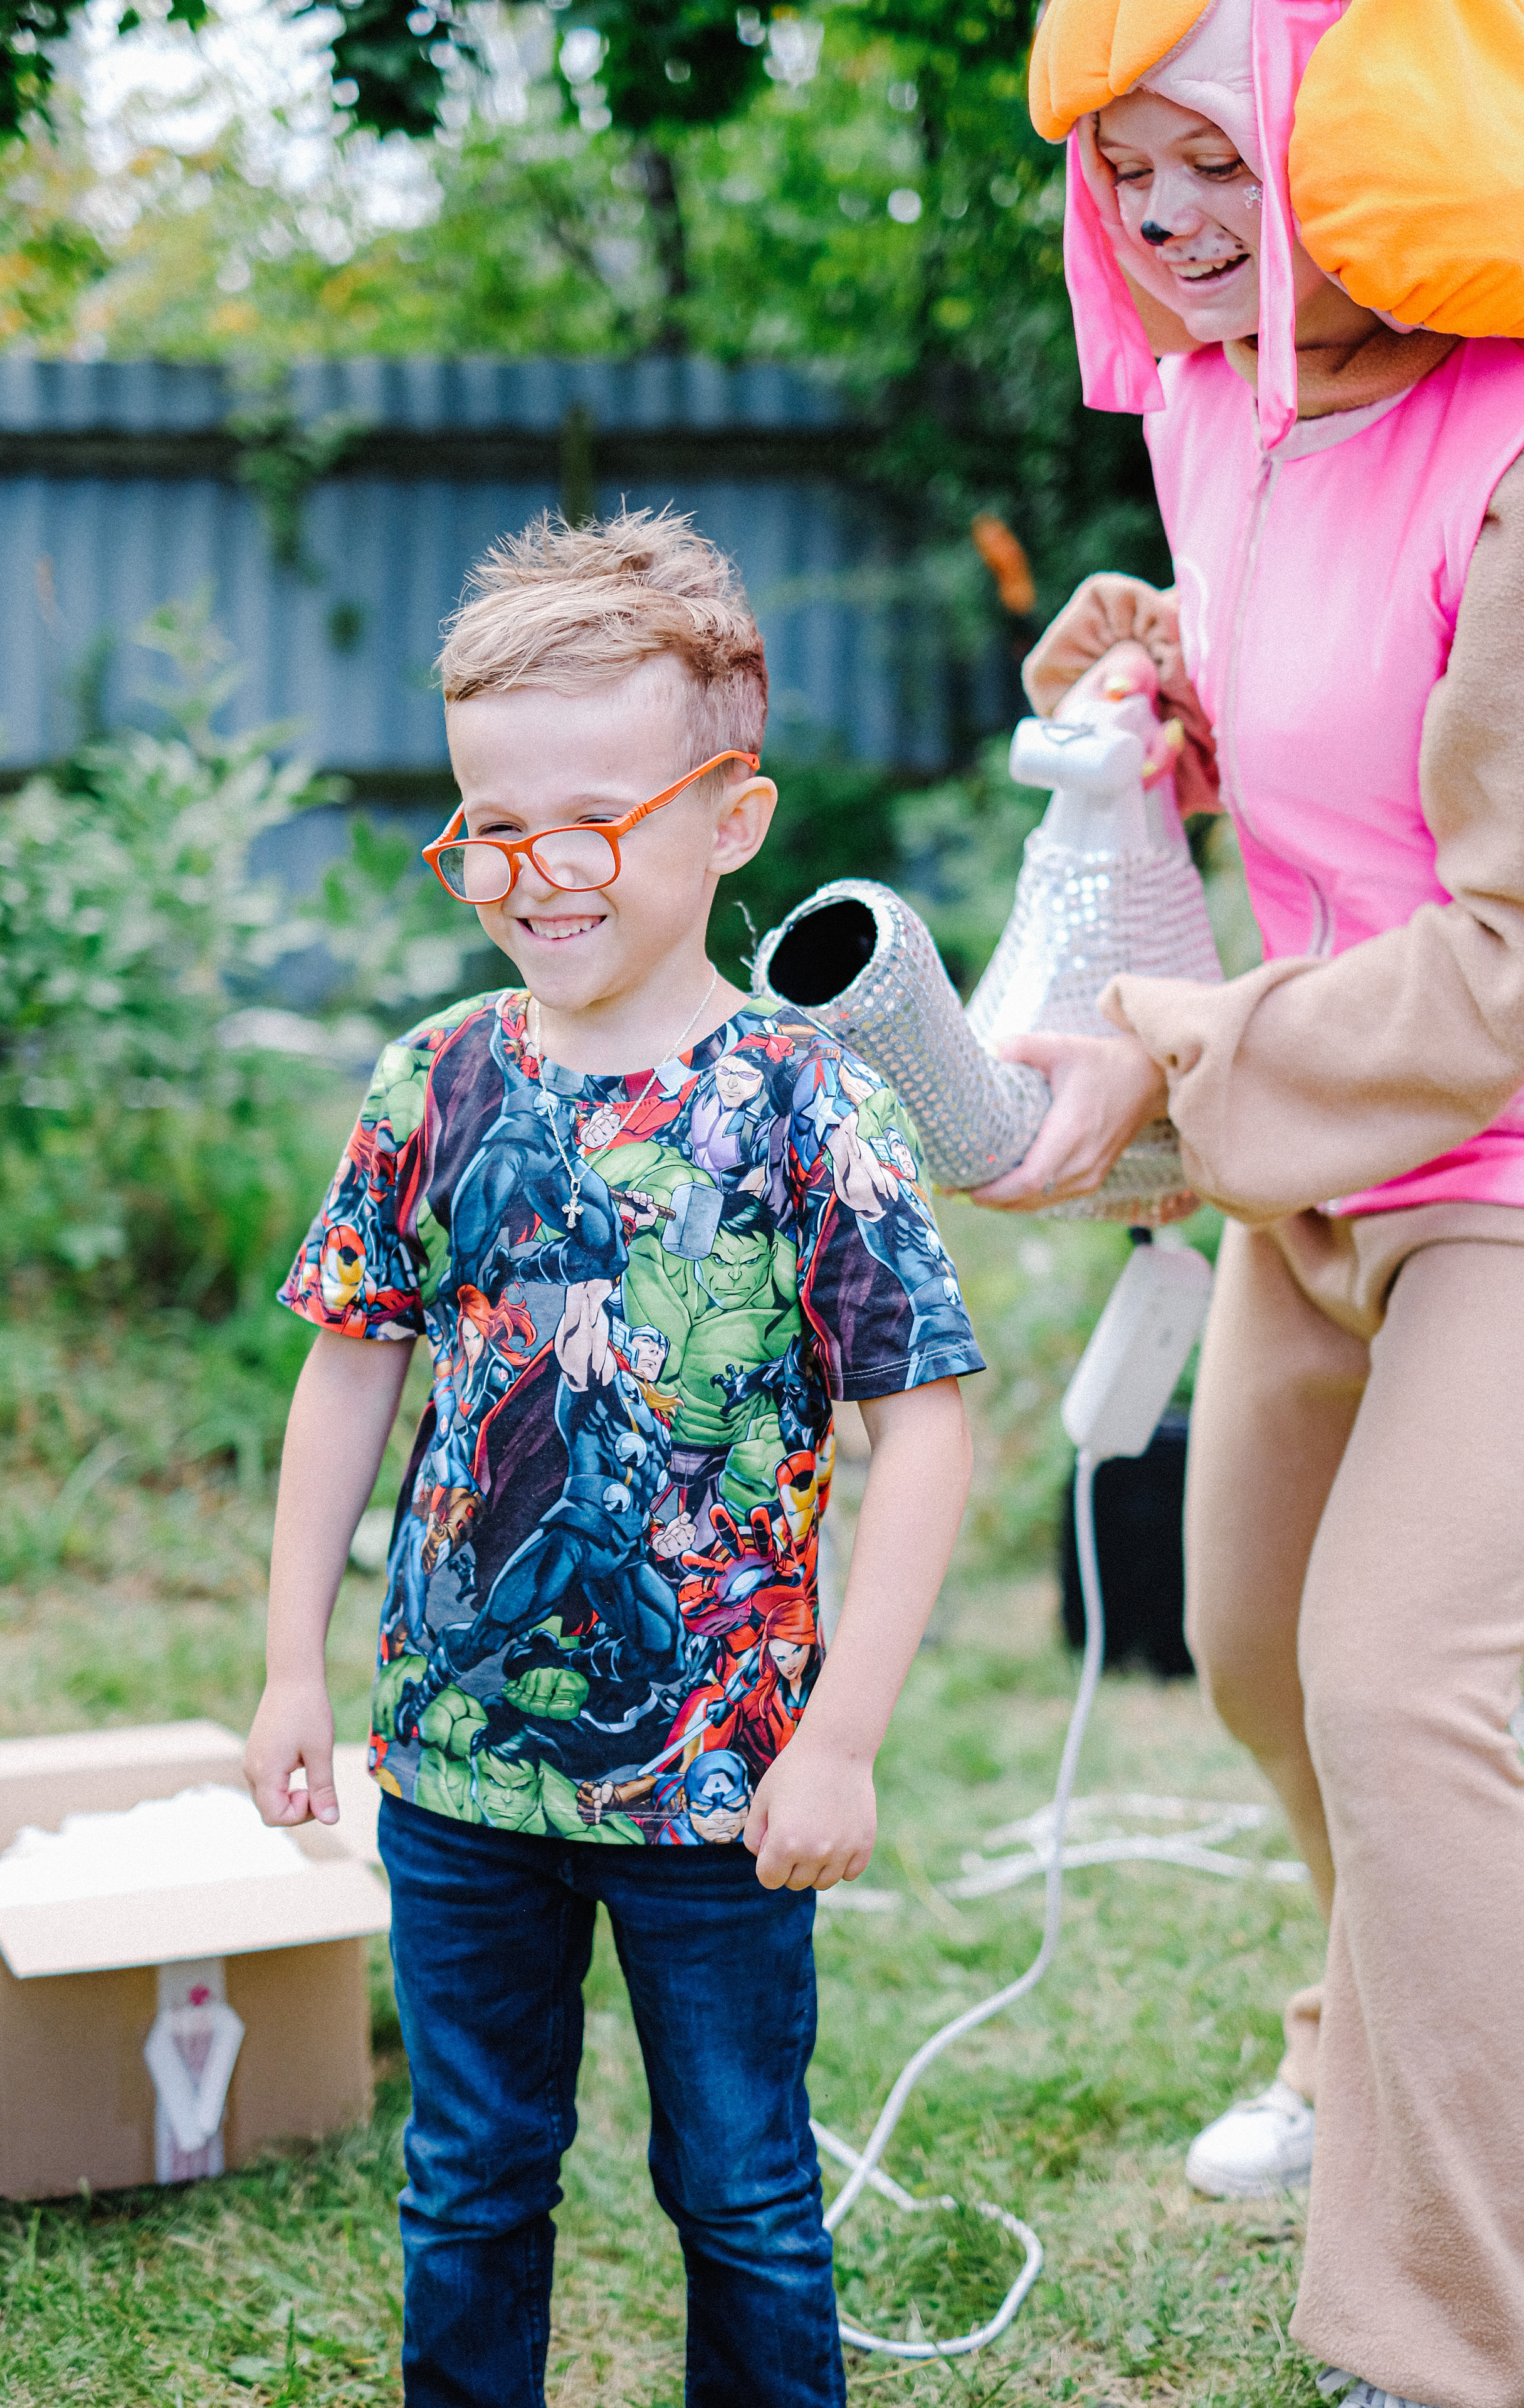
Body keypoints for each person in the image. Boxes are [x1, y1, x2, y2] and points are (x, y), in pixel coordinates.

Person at [243, 506, 984, 2408]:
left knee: (739, 2188)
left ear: (730, 815)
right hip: (459, 1770)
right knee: (470, 2180)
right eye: (488, 825)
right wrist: (288, 1669)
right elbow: (348, 1377)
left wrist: (843, 1736)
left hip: (727, 1796)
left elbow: (928, 1428)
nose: (530, 873)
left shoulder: (817, 1107)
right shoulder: (433, 1082)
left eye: (587, 820)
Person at [983, 7, 1524, 2405]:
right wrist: (1161, 671)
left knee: (1410, 1692)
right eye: (1130, 173)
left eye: (1224, 158)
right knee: (1254, 1652)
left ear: (1361, 154)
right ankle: (1379, 2036)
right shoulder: (1220, 403)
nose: (1176, 220)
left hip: (1496, 1171)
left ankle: (1456, 2325)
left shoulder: (1513, 449)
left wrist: (1188, 1055)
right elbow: (1324, 723)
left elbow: (1508, 946)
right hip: (1315, 1157)